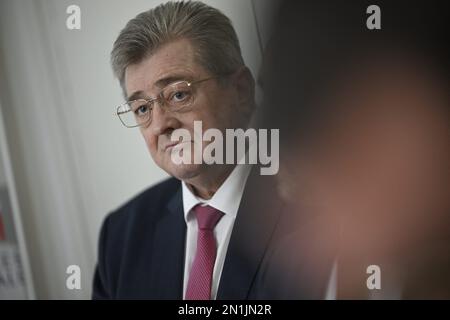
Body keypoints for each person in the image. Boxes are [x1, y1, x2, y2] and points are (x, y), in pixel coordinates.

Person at [92, 1, 285, 300]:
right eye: (142, 108)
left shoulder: (314, 204)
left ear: (241, 91)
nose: (160, 124)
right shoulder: (121, 236)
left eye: (178, 94)